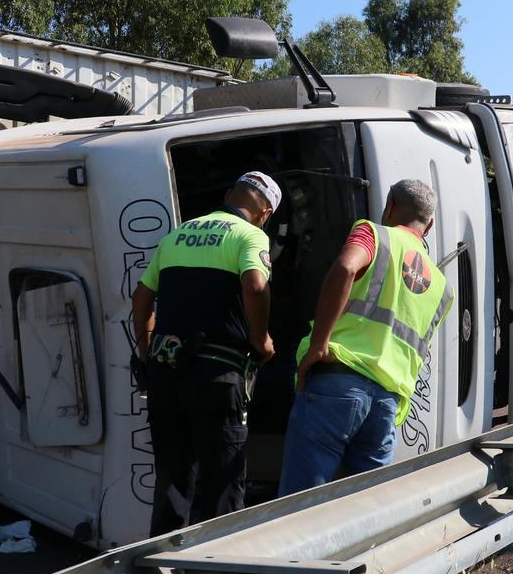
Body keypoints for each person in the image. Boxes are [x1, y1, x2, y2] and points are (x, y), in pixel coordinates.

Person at [278, 179, 454, 496]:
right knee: (366, 509)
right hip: (387, 403)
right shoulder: (442, 286)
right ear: (428, 227)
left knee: (300, 506)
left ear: (389, 206)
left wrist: (318, 345)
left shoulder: (374, 233)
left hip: (337, 383)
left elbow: (346, 267)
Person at [131, 171, 280, 536]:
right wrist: (261, 340)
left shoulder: (177, 234)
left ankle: (161, 562)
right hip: (217, 376)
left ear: (231, 194)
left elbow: (141, 297)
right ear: (265, 214)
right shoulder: (250, 235)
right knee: (223, 485)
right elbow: (256, 285)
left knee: (172, 480)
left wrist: (146, 349)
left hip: (166, 374)